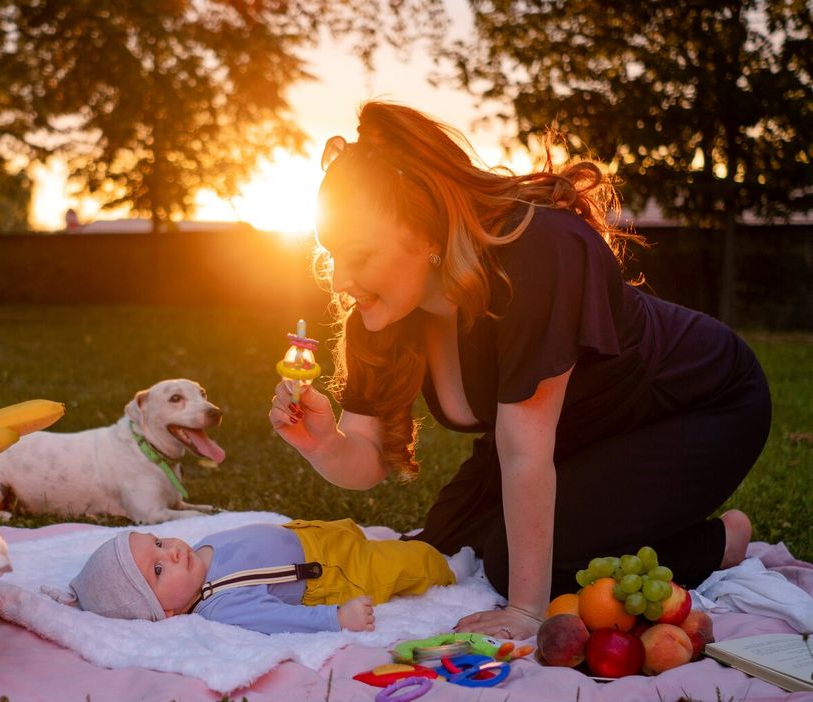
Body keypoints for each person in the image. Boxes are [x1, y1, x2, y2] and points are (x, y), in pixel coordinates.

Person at [268, 101, 771, 642]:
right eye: (333, 255)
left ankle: (720, 541)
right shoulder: (382, 312)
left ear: (429, 232)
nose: (340, 279)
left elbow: (523, 451)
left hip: (697, 405)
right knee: (445, 543)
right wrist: (321, 444)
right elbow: (367, 457)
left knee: (517, 568)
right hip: (575, 430)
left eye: (360, 255)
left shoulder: (536, 254)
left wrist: (527, 612)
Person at [44, 518, 455, 634]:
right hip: (335, 572)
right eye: (157, 569)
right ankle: (455, 568)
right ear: (165, 612)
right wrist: (337, 618)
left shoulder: (196, 558)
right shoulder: (222, 604)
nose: (169, 551)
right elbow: (280, 619)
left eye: (155, 542)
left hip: (313, 536)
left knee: (365, 536)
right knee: (412, 562)